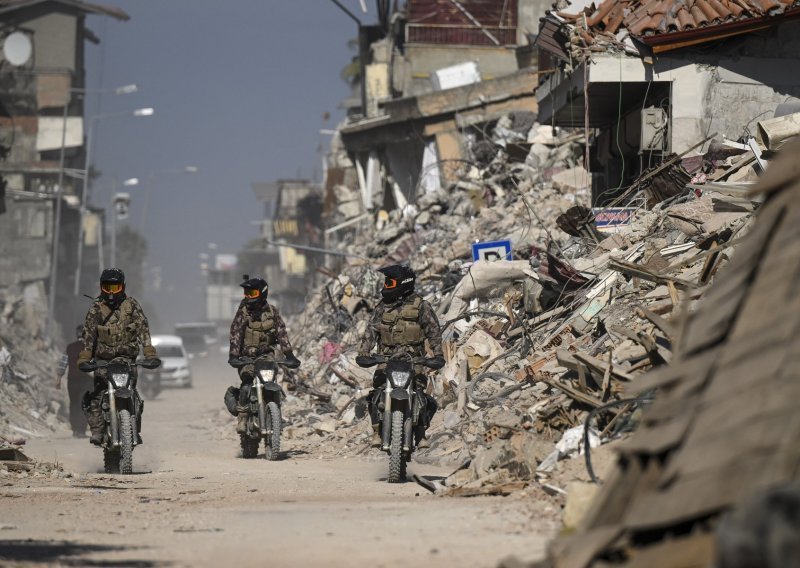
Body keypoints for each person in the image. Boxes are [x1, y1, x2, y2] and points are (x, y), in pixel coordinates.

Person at [356, 265, 445, 448]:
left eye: (390, 282)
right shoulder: (382, 307)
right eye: (386, 282)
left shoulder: (421, 306)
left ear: (403, 283)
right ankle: (377, 430)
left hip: (414, 360)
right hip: (386, 360)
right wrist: (364, 353)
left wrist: (437, 355)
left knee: (423, 396)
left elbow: (434, 332)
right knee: (375, 394)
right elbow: (371, 331)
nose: (386, 286)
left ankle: (420, 432)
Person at [76, 268, 160, 445]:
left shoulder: (132, 305)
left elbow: (143, 329)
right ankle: (97, 431)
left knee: (134, 395)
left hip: (127, 360)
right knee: (96, 396)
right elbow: (89, 335)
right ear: (101, 287)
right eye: (107, 287)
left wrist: (150, 354)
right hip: (103, 362)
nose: (111, 292)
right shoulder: (96, 308)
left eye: (115, 287)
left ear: (123, 287)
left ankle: (134, 427)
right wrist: (84, 358)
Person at [228, 276, 300, 433]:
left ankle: (274, 413)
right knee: (247, 383)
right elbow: (235, 334)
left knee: (271, 381)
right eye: (246, 293)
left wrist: (289, 355)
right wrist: (234, 356)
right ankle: (243, 418)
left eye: (252, 293)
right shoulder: (243, 313)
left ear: (262, 293)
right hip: (246, 358)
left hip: (266, 356)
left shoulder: (272, 312)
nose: (249, 297)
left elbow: (282, 333)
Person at [55, 325, 92, 437]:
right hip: (86, 380)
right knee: (84, 404)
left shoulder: (70, 347)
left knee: (74, 403)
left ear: (77, 334)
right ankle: (81, 430)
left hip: (72, 380)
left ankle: (75, 430)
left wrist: (58, 379)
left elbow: (62, 364)